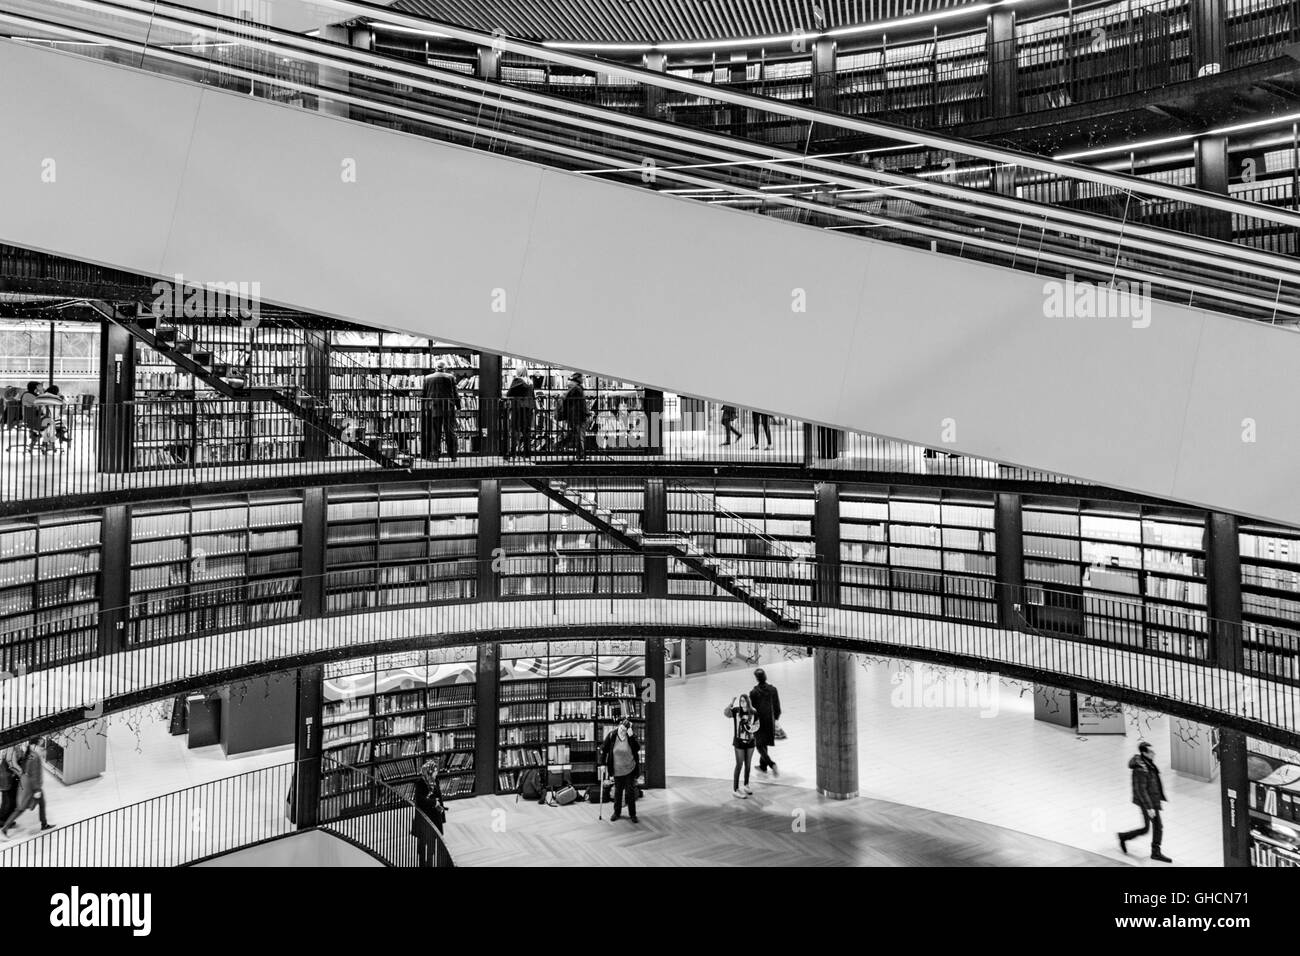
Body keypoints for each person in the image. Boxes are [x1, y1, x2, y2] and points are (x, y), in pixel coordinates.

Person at [1118, 741, 1171, 862]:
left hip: (1151, 800)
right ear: (1144, 753)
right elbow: (1141, 790)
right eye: (1151, 751)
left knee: (1147, 828)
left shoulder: (1148, 764)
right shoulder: (1141, 769)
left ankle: (1123, 837)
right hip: (1147, 802)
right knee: (1157, 826)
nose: (1154, 753)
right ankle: (1155, 852)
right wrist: (1149, 807)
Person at [1, 737, 53, 837]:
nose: (42, 748)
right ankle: (5, 827)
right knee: (21, 808)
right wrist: (37, 790)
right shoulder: (34, 757)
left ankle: (44, 823)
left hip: (27, 784)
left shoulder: (29, 754)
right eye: (41, 745)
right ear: (35, 745)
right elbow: (34, 775)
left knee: (35, 805)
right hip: (31, 787)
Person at [599, 716, 640, 823]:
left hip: (629, 768)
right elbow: (604, 749)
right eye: (621, 728)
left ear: (628, 730)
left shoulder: (630, 736)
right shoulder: (612, 735)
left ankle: (632, 814)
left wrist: (631, 736)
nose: (622, 731)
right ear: (619, 726)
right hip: (617, 770)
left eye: (624, 730)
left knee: (630, 793)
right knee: (618, 792)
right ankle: (617, 813)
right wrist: (602, 763)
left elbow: (637, 748)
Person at [420, 360, 460, 462]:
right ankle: (453, 455)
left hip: (433, 408)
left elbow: (424, 395)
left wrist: (424, 408)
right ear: (445, 368)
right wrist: (458, 407)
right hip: (448, 408)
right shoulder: (450, 377)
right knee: (450, 432)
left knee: (434, 433)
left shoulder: (427, 378)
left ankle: (434, 456)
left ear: (435, 367)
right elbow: (455, 394)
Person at [411, 760, 447, 867]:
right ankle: (422, 862)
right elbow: (420, 800)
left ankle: (430, 863)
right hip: (424, 817)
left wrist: (442, 816)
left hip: (435, 816)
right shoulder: (420, 783)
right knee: (423, 842)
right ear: (429, 772)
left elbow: (439, 798)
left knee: (432, 843)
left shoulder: (436, 781)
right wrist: (433, 802)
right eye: (435, 771)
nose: (437, 773)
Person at [723, 693, 759, 799]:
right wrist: (731, 703)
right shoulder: (736, 711)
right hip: (739, 742)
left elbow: (757, 725)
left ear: (748, 701)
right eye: (741, 701)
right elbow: (726, 713)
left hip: (751, 742)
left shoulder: (753, 712)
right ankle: (735, 789)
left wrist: (749, 728)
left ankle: (746, 785)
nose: (742, 702)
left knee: (748, 764)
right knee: (739, 765)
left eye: (744, 700)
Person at [749, 668, 782, 776]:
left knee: (759, 745)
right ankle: (763, 766)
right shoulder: (773, 690)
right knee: (764, 743)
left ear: (756, 678)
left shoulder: (754, 692)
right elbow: (777, 706)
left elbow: (751, 709)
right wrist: (776, 718)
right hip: (769, 720)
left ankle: (771, 764)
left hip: (758, 721)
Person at [557, 372, 589, 460]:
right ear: (578, 378)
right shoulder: (576, 388)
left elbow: (567, 400)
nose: (583, 379)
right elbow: (578, 403)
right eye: (582, 377)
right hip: (578, 415)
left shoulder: (575, 387)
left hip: (575, 415)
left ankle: (579, 453)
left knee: (576, 435)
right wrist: (585, 412)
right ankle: (580, 454)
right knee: (580, 435)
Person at [505, 371, 535, 460]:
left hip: (518, 407)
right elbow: (532, 396)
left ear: (519, 372)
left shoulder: (517, 381)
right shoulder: (530, 382)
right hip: (528, 408)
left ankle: (513, 452)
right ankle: (527, 453)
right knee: (526, 431)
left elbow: (509, 394)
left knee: (515, 430)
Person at [34, 385, 66, 451]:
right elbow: (63, 406)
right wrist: (60, 396)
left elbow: (35, 405)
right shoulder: (57, 398)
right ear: (56, 392)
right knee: (61, 429)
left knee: (48, 426)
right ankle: (51, 442)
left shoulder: (40, 397)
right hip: (54, 420)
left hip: (41, 420)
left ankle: (46, 442)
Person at [0, 746, 16, 828]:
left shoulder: (7, 747)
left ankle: (5, 820)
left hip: (4, 776)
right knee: (7, 801)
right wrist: (18, 771)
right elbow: (11, 763)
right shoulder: (9, 748)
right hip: (5, 778)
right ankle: (3, 820)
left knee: (6, 800)